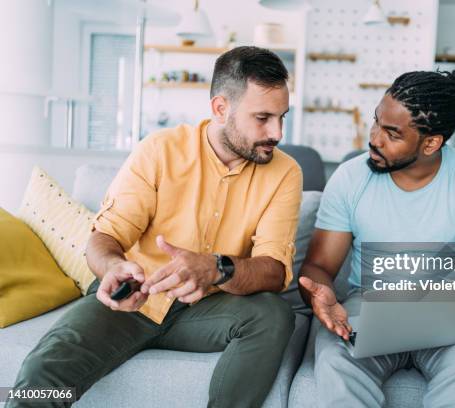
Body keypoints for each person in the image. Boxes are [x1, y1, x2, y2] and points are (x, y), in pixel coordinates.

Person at [9, 46, 302, 408]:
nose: (277, 132)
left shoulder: (285, 173)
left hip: (210, 309)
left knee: (273, 315)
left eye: (282, 117)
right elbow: (106, 237)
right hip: (135, 301)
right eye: (263, 117)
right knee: (43, 371)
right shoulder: (159, 150)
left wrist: (215, 267)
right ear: (221, 109)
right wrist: (113, 267)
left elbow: (274, 271)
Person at [298, 67, 455, 407]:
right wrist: (320, 295)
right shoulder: (349, 179)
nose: (374, 138)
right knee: (335, 361)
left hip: (450, 313)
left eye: (392, 133)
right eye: (376, 122)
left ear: (431, 143)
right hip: (370, 307)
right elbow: (318, 266)